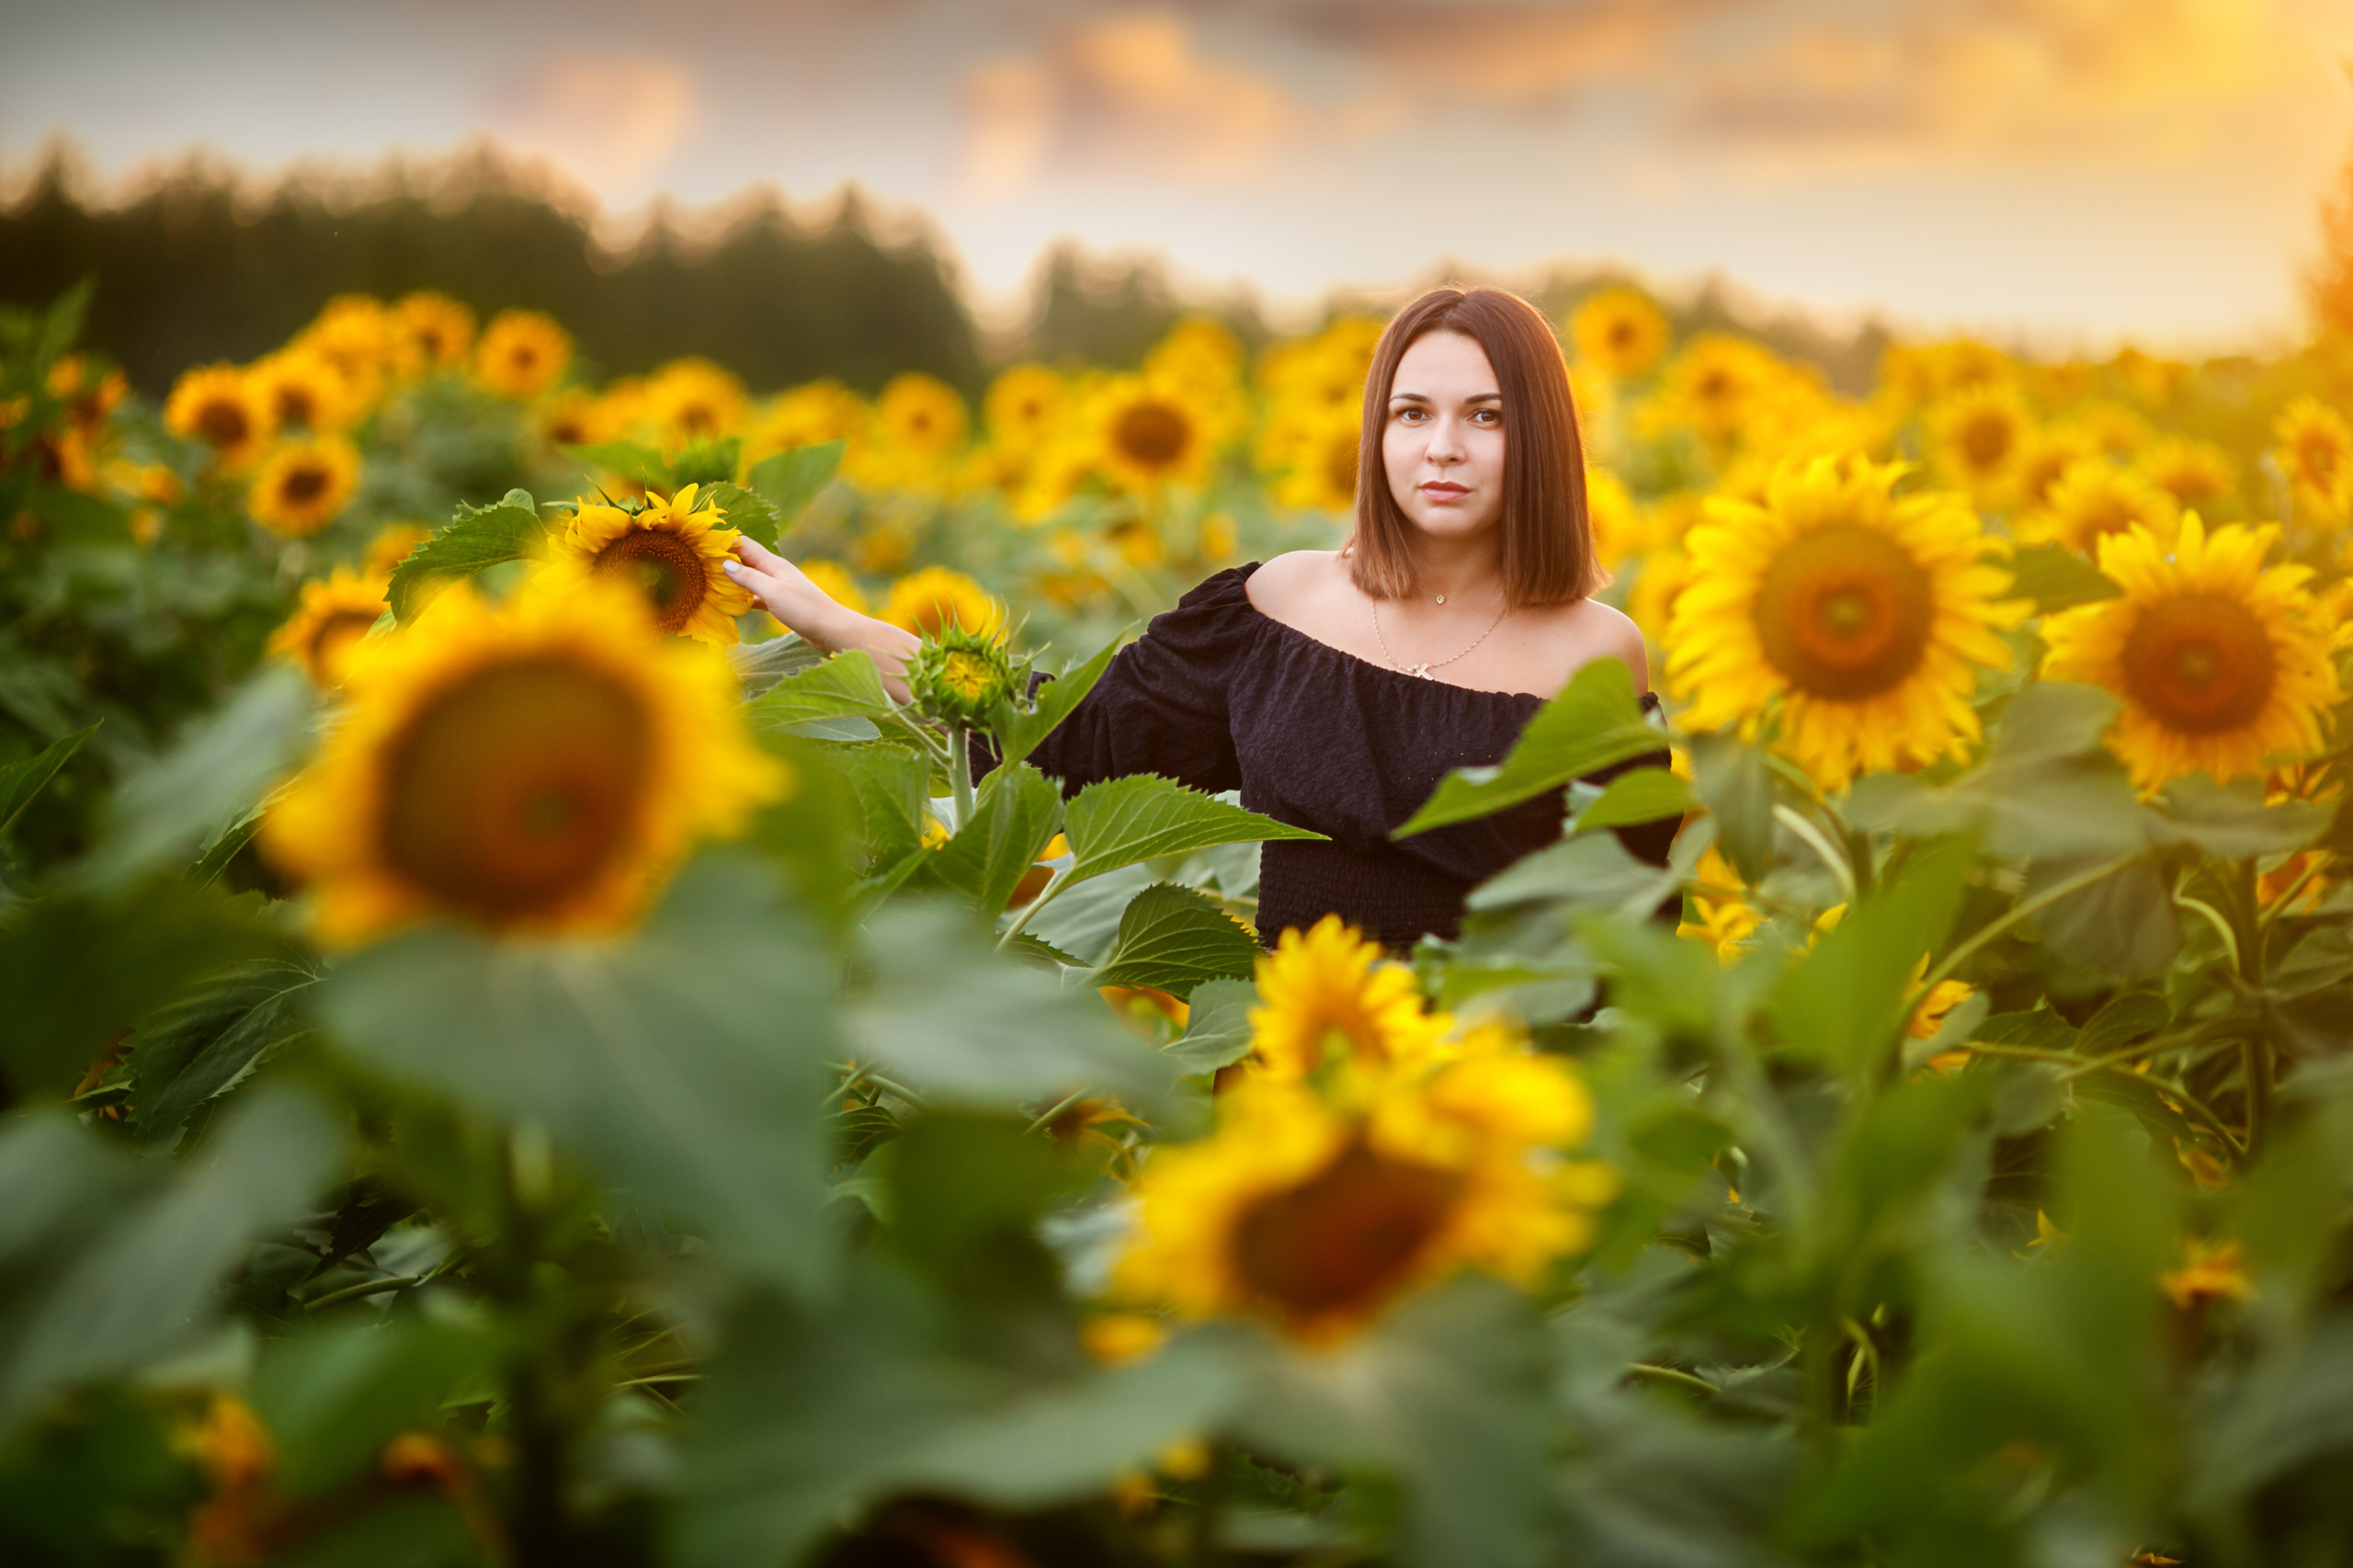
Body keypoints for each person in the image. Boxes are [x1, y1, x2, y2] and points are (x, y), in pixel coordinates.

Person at [722, 285, 1674, 950]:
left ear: (1540, 438)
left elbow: (1631, 921)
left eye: (1487, 417)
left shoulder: (1595, 653)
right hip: (1287, 1077)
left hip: (1497, 1106)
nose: (1442, 448)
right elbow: (1059, 735)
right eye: (1411, 412)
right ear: (1376, 433)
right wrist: (836, 623)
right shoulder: (1276, 608)